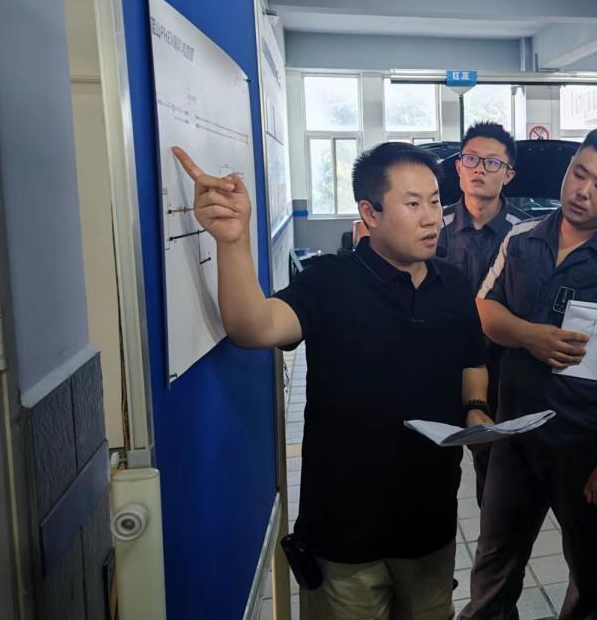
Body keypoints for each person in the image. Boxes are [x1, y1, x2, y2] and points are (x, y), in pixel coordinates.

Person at [172, 142, 489, 620]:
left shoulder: (454, 284)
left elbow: (472, 361)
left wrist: (476, 409)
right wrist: (233, 242)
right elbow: (253, 327)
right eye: (412, 204)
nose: (431, 219)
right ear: (370, 213)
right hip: (345, 531)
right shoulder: (329, 281)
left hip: (430, 522)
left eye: (434, 202)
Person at [461, 128, 597, 620]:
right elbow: (484, 309)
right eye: (578, 173)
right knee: (495, 557)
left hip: (584, 443)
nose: (582, 191)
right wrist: (528, 335)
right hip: (514, 434)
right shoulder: (522, 238)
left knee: (589, 563)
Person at [436, 122, 529, 506]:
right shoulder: (431, 227)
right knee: (432, 472)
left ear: (509, 175)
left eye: (492, 163)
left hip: (501, 370)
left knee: (494, 476)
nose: (479, 169)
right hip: (439, 368)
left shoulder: (527, 234)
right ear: (459, 167)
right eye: (471, 159)